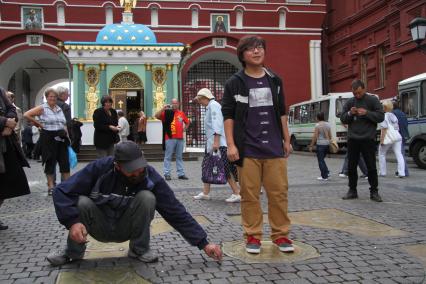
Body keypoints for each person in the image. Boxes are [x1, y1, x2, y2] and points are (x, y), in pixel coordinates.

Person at [46, 141, 222, 266]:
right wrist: (73, 222)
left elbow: (174, 210)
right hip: (99, 226)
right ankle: (72, 253)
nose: (138, 172)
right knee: (82, 202)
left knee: (147, 197)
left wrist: (204, 243)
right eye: (131, 169)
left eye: (140, 166)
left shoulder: (149, 175)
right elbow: (62, 191)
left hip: (126, 227)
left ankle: (139, 249)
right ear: (117, 165)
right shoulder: (99, 168)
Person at [221, 35, 294, 254]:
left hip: (273, 148)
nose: (257, 51)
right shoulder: (235, 82)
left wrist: (286, 139)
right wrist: (231, 145)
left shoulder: (275, 80)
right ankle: (252, 236)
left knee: (279, 193)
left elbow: (282, 112)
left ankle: (281, 235)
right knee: (249, 195)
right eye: (251, 49)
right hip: (248, 149)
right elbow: (228, 116)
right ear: (242, 54)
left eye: (260, 47)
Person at [192, 88, 241, 203]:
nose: (199, 102)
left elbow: (217, 124)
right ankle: (205, 192)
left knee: (224, 167)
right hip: (212, 142)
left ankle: (236, 192)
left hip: (218, 143)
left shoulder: (213, 106)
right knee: (207, 165)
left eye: (200, 100)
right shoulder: (210, 106)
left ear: (205, 98)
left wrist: (216, 141)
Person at [340, 79, 384, 202]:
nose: (357, 95)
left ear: (364, 89)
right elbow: (343, 118)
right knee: (351, 167)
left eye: (359, 93)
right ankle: (352, 190)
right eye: (355, 93)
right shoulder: (350, 102)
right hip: (353, 139)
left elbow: (381, 117)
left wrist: (367, 113)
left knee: (371, 166)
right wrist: (350, 113)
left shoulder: (372, 100)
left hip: (368, 138)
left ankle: (374, 191)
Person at [24, 88, 71, 196]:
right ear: (46, 97)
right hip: (48, 137)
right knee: (50, 162)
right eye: (50, 96)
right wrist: (39, 124)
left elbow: (64, 124)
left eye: (54, 96)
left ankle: (67, 186)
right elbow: (27, 115)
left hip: (61, 137)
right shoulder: (42, 108)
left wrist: (67, 136)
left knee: (65, 162)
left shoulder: (59, 108)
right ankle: (51, 187)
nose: (53, 98)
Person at [0, 87, 31, 230]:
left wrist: (10, 121)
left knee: (5, 182)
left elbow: (11, 108)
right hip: (4, 131)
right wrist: (5, 122)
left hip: (5, 144)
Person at [155, 99, 190, 180]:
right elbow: (156, 116)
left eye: (176, 103)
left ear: (179, 104)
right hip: (169, 138)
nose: (174, 105)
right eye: (173, 103)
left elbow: (187, 122)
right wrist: (163, 108)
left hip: (180, 138)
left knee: (179, 157)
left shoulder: (181, 113)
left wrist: (184, 129)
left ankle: (181, 174)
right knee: (168, 157)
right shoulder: (166, 112)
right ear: (171, 104)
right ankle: (167, 173)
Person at [378, 100, 405, 178]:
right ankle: (401, 173)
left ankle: (382, 172)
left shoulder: (383, 116)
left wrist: (382, 140)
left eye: (382, 106)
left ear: (385, 107)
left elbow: (384, 129)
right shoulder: (394, 116)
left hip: (388, 138)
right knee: (399, 154)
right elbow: (397, 127)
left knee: (382, 154)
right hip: (397, 137)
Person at [308, 112, 331, 181]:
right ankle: (326, 172)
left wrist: (311, 145)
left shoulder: (317, 125)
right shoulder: (328, 124)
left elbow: (315, 136)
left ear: (317, 118)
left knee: (320, 161)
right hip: (327, 144)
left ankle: (324, 176)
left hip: (320, 144)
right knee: (322, 160)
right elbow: (330, 136)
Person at [392, 100, 409, 177]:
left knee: (400, 154)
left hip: (398, 135)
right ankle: (403, 170)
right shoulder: (402, 113)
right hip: (404, 134)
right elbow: (406, 123)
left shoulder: (393, 114)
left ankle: (404, 171)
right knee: (402, 154)